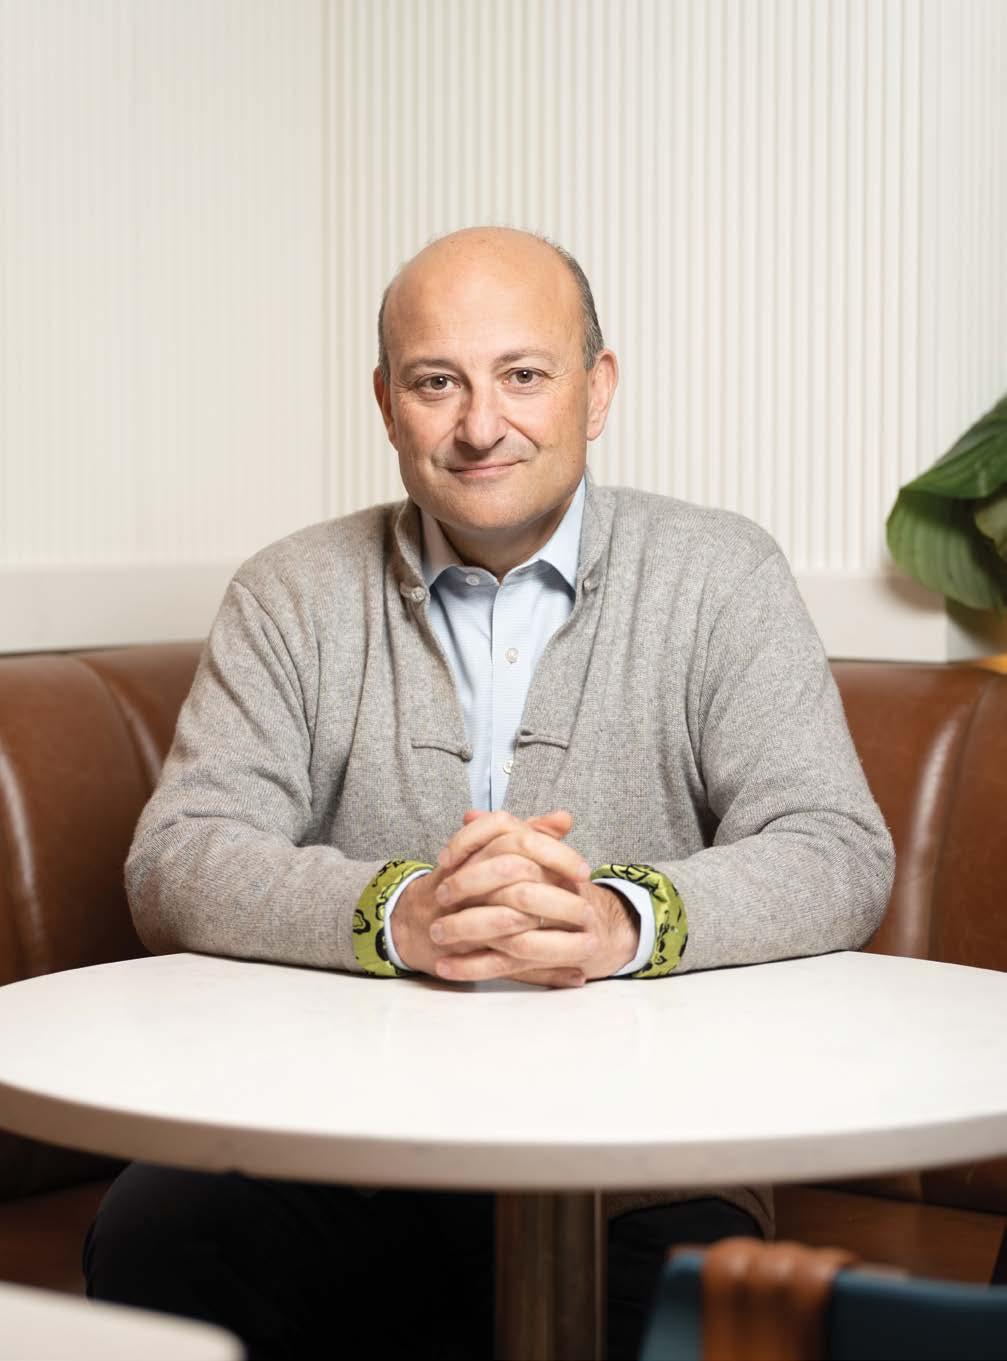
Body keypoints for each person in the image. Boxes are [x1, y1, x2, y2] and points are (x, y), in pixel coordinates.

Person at [84, 227, 894, 1359]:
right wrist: (401, 911)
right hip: (330, 1138)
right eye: (436, 382)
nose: (479, 424)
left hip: (644, 1156)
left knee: (653, 1313)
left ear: (596, 389)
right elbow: (178, 854)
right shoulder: (289, 592)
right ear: (385, 404)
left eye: (522, 374)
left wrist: (617, 917)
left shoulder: (721, 574)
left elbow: (832, 845)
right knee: (154, 1238)